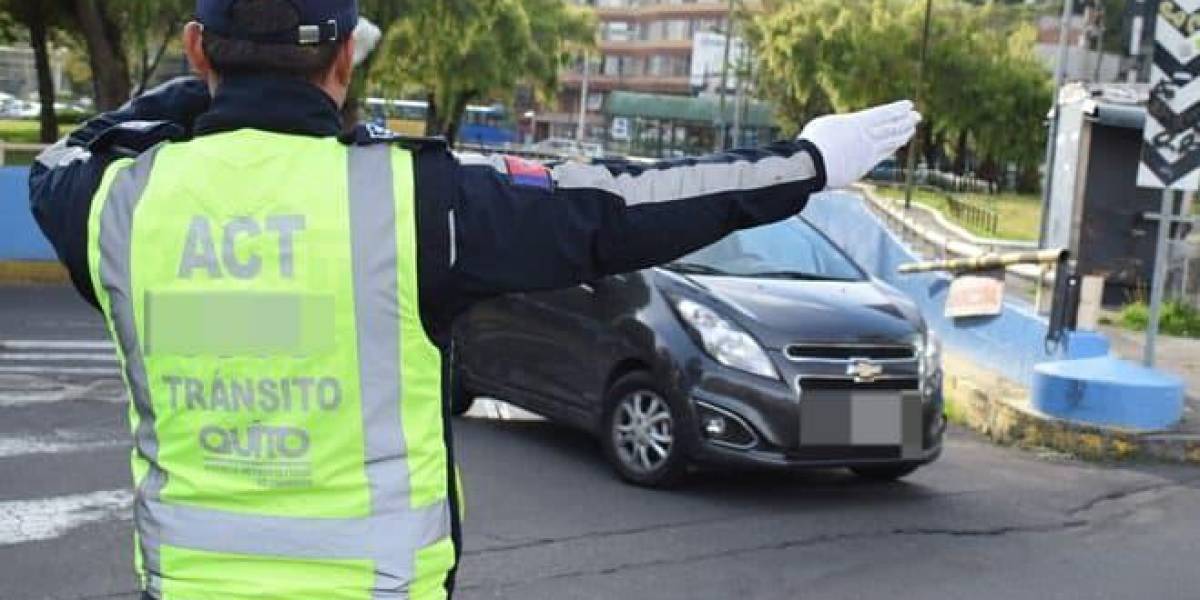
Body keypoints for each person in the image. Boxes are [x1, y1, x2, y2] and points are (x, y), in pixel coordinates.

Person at [28, 1, 919, 598]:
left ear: (196, 47)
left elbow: (68, 154)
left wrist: (202, 95)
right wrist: (804, 165)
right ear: (345, 56)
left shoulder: (116, 205)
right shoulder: (418, 201)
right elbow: (618, 208)